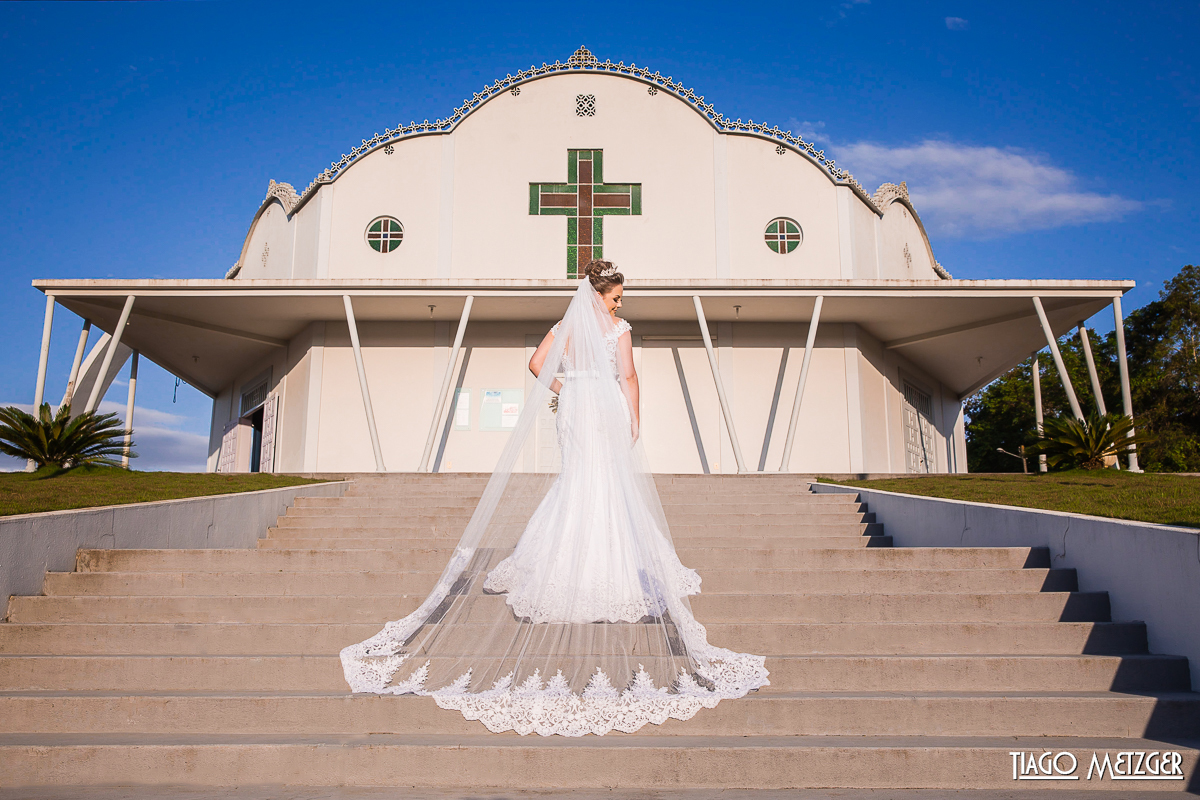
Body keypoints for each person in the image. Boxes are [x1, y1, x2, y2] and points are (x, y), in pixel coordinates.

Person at [341, 260, 768, 736]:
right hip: (603, 406)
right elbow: (628, 377)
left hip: (575, 407)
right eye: (615, 297)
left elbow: (536, 364)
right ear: (599, 294)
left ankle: (557, 563)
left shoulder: (566, 326)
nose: (619, 304)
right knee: (606, 480)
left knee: (577, 478)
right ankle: (607, 564)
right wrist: (634, 418)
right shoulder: (618, 330)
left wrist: (568, 389)